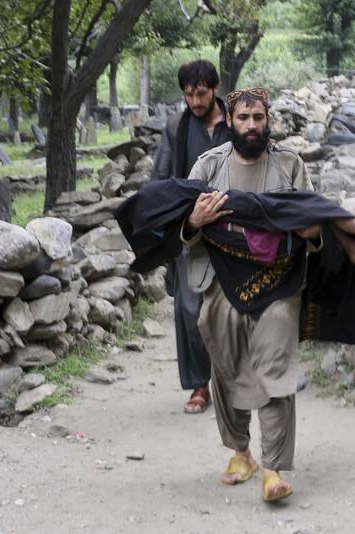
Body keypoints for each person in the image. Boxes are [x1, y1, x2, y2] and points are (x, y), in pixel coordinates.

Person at [180, 87, 355, 502]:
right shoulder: (207, 168)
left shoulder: (290, 166)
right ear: (229, 121)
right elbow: (185, 234)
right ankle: (241, 453)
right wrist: (194, 221)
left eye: (258, 118)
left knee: (275, 368)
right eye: (243, 118)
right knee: (225, 371)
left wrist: (313, 235)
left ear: (268, 121)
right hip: (221, 284)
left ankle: (274, 468)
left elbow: (314, 225)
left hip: (279, 284)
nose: (251, 126)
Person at [151, 60, 231, 414]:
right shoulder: (176, 127)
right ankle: (200, 384)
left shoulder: (238, 120)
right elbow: (162, 179)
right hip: (191, 229)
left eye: (200, 94)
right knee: (189, 308)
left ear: (214, 89)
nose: (195, 102)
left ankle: (234, 380)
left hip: (235, 228)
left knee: (237, 307)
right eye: (188, 94)